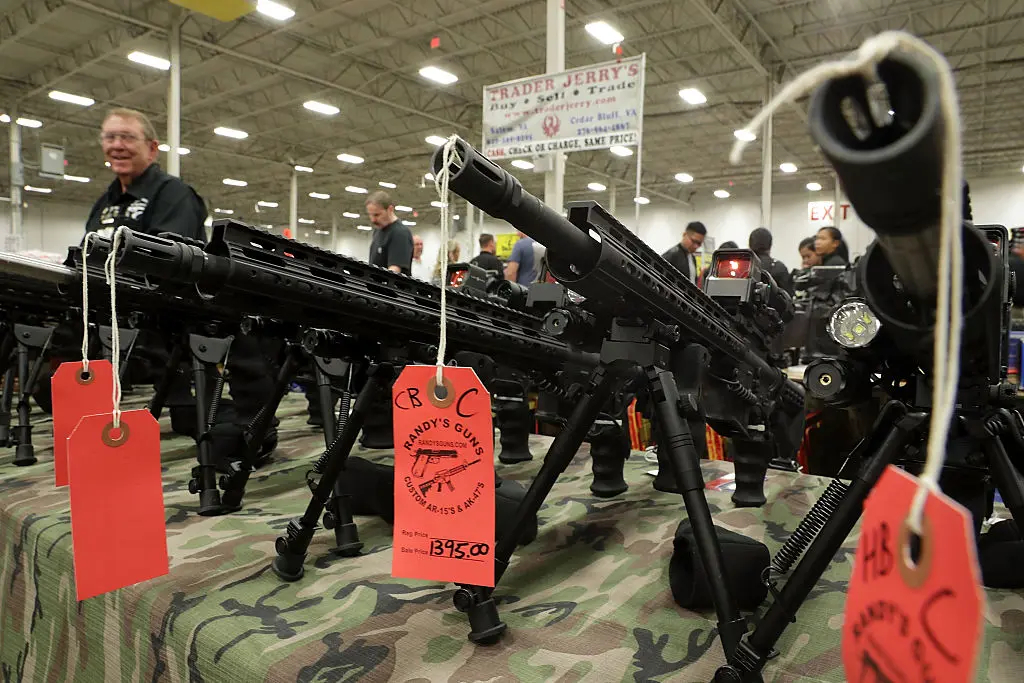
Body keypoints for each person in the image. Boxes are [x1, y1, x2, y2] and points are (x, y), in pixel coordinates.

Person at [86, 108, 206, 240]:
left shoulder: (175, 195)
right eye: (110, 137)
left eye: (128, 137)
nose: (117, 145)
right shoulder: (104, 202)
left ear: (152, 149)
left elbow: (165, 257)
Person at [365, 190, 413, 274]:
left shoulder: (400, 233)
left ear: (390, 209)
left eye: (377, 215)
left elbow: (394, 271)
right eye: (370, 215)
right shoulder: (377, 231)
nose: (373, 220)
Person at [748, 227, 794, 295]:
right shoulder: (780, 268)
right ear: (770, 245)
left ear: (749, 244)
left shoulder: (743, 266)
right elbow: (789, 298)